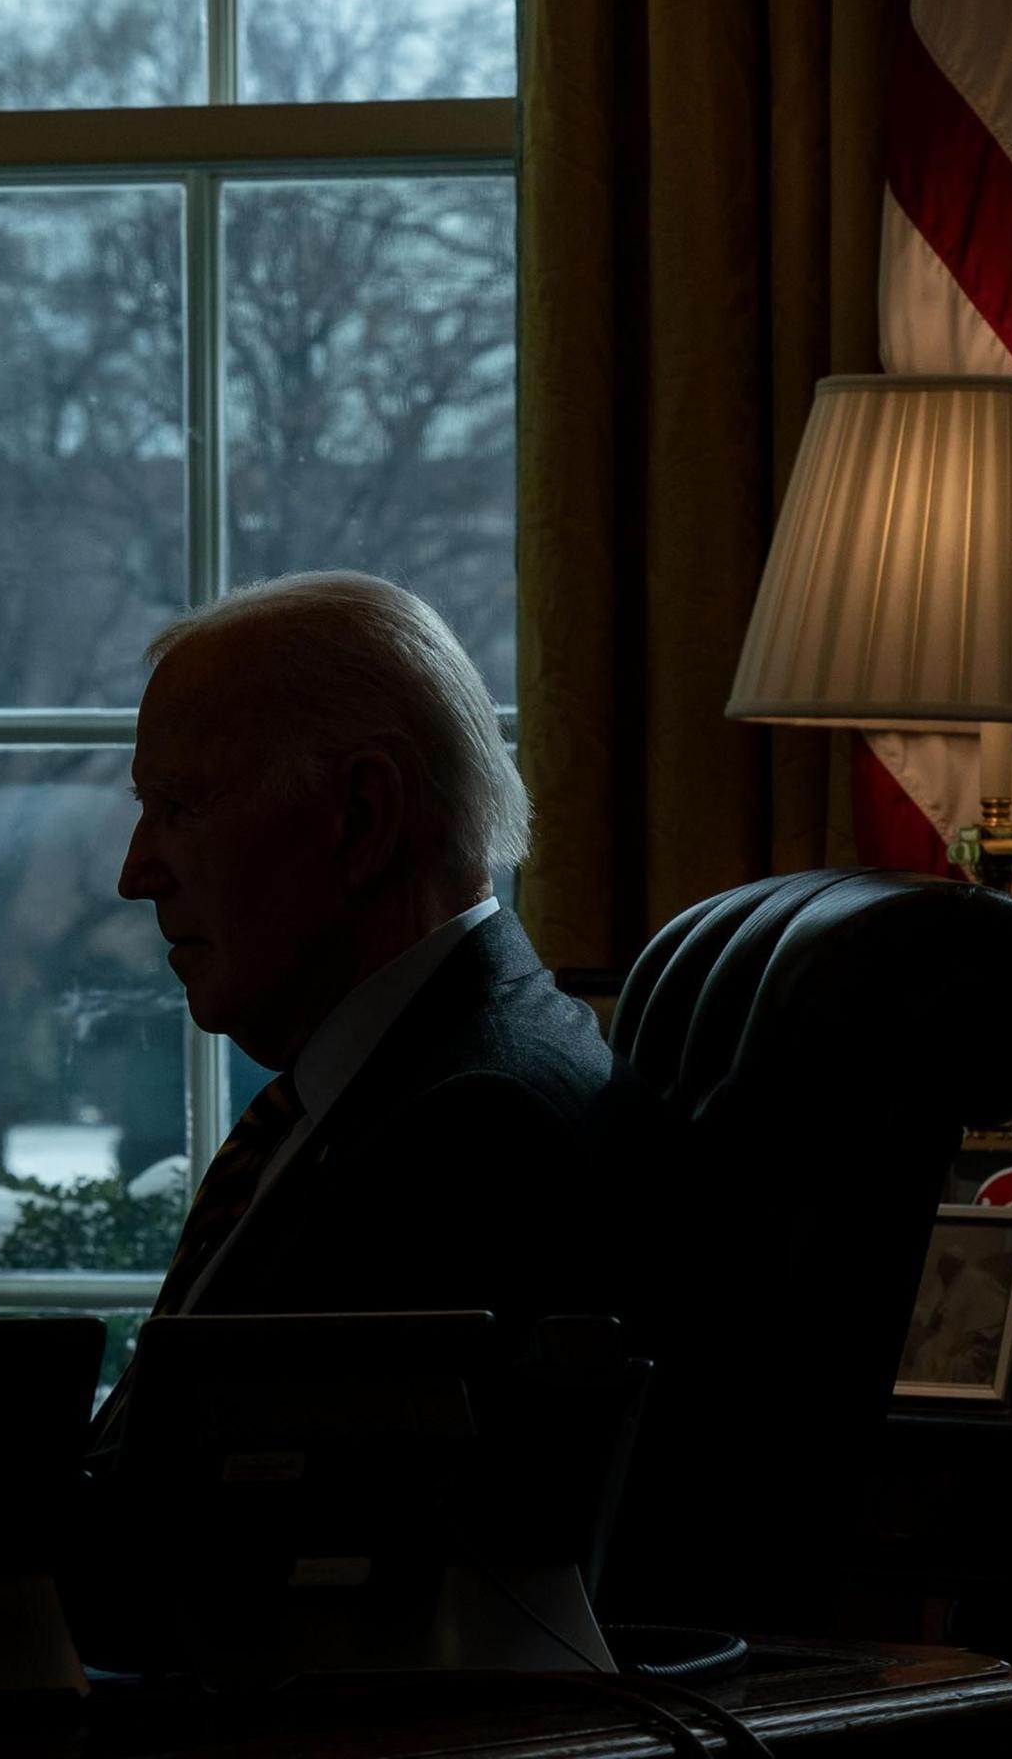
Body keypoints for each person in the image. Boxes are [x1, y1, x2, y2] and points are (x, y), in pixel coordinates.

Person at [95, 572, 614, 1440]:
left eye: (178, 808)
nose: (135, 874)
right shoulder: (399, 1087)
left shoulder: (472, 1137)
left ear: (362, 816)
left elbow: (259, 1540)